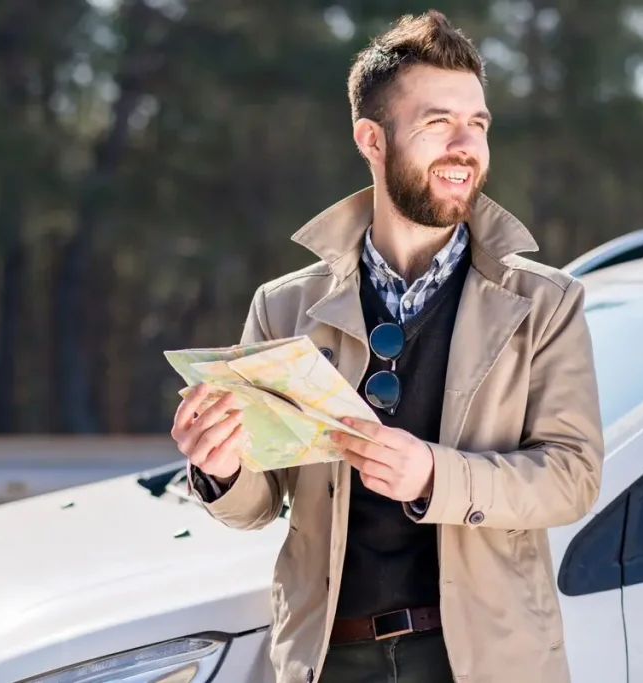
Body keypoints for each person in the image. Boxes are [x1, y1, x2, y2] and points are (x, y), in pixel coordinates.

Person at [169, 10, 603, 683]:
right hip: (330, 659)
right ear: (372, 139)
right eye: (438, 122)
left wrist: (433, 475)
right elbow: (260, 501)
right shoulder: (282, 307)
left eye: (478, 123)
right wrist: (220, 468)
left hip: (484, 662)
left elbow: (573, 477)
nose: (465, 145)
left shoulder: (547, 303)